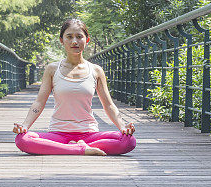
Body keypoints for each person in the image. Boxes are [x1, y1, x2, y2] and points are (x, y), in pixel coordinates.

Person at [13, 19, 136, 156]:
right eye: (69, 37)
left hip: (89, 133)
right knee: (22, 139)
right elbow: (39, 102)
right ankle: (81, 149)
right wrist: (25, 126)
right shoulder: (52, 69)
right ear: (61, 40)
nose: (74, 42)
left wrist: (123, 127)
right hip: (58, 134)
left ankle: (73, 147)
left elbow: (108, 105)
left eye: (79, 37)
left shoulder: (96, 70)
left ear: (87, 39)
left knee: (128, 141)